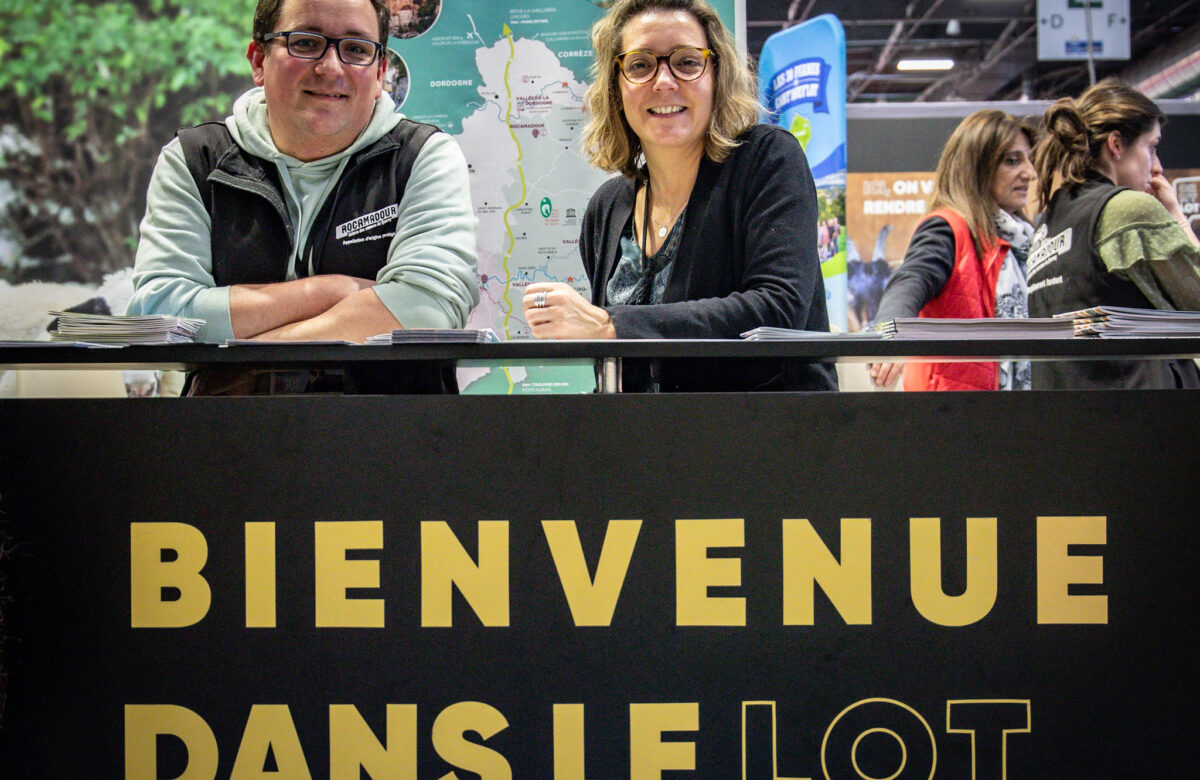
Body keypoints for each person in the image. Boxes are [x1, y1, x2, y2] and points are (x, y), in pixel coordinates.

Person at [127, 0, 479, 393]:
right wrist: (333, 291)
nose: (331, 67)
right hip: (230, 428)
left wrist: (250, 361)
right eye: (306, 43)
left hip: (396, 427)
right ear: (258, 60)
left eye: (356, 49)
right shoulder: (195, 160)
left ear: (381, 72)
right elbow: (160, 314)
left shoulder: (423, 157)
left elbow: (429, 308)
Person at [520, 0, 835, 392]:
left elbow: (777, 311)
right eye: (640, 65)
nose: (664, 81)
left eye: (687, 62)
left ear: (718, 76)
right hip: (641, 430)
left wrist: (609, 324)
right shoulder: (607, 208)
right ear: (616, 89)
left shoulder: (767, 159)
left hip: (766, 426)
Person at [1028, 79, 1200, 389]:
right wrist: (1176, 216)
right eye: (1152, 147)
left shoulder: (1050, 220)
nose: (1158, 167)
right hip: (1141, 409)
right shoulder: (1126, 208)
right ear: (1116, 145)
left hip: (1068, 409)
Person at [870, 110, 1037, 391]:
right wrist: (889, 336)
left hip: (1013, 409)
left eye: (1030, 160)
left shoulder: (1027, 240)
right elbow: (908, 282)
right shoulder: (948, 228)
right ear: (977, 167)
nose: (1030, 173)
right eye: (1012, 161)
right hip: (952, 410)